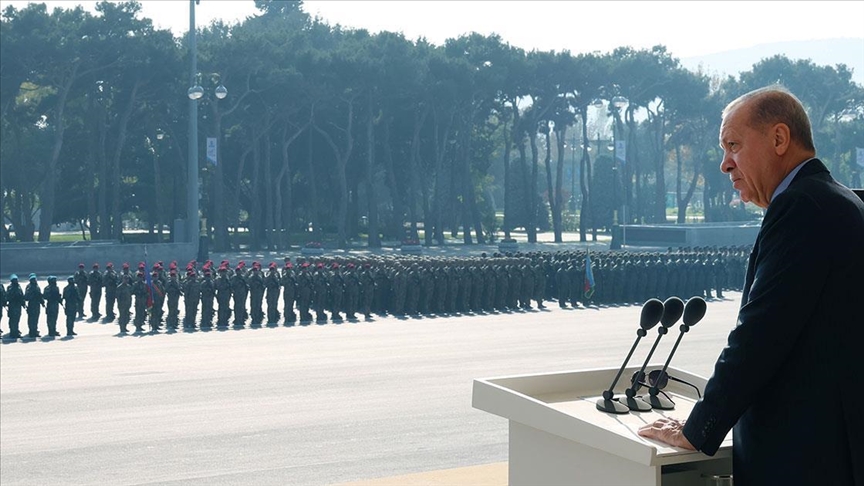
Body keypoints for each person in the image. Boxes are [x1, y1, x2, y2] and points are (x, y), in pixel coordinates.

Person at [638, 86, 864, 485]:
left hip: (805, 460)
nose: (725, 164)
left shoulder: (801, 207)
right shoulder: (836, 200)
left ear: (779, 138)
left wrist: (697, 429)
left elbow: (761, 334)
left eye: (733, 145)